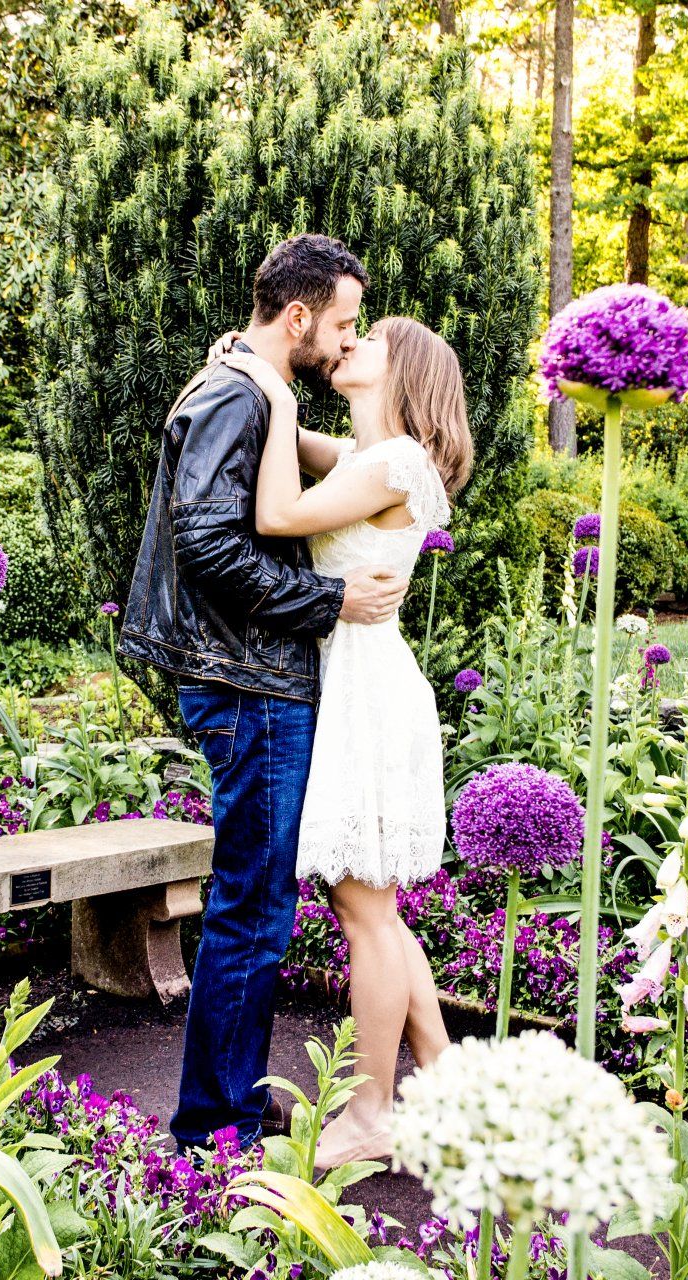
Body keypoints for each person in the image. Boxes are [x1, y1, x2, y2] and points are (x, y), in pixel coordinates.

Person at [119, 234, 410, 1151]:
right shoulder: (236, 395)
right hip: (246, 677)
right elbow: (209, 544)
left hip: (254, 672)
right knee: (252, 907)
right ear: (298, 318)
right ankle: (215, 1127)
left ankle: (228, 1103)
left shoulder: (251, 392)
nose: (343, 341)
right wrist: (332, 600)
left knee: (254, 903)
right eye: (342, 323)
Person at [216, 314, 471, 1168]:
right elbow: (326, 456)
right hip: (363, 678)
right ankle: (440, 1084)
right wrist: (283, 404)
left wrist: (268, 384)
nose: (349, 344)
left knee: (366, 912)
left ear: (404, 373)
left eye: (372, 339)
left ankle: (371, 1114)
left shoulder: (395, 464)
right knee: (371, 907)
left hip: (363, 686)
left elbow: (280, 511)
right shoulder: (381, 460)